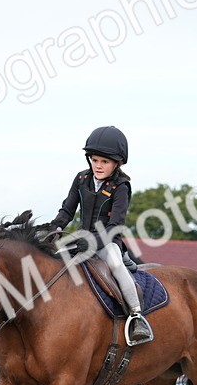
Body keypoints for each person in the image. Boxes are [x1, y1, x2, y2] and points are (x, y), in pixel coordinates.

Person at [49, 125, 152, 345]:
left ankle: (136, 316)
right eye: (95, 160)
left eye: (104, 162)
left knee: (115, 265)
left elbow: (116, 224)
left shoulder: (121, 186)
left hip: (108, 242)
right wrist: (54, 227)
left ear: (117, 163)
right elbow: (68, 209)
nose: (98, 165)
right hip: (81, 240)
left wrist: (92, 243)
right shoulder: (81, 179)